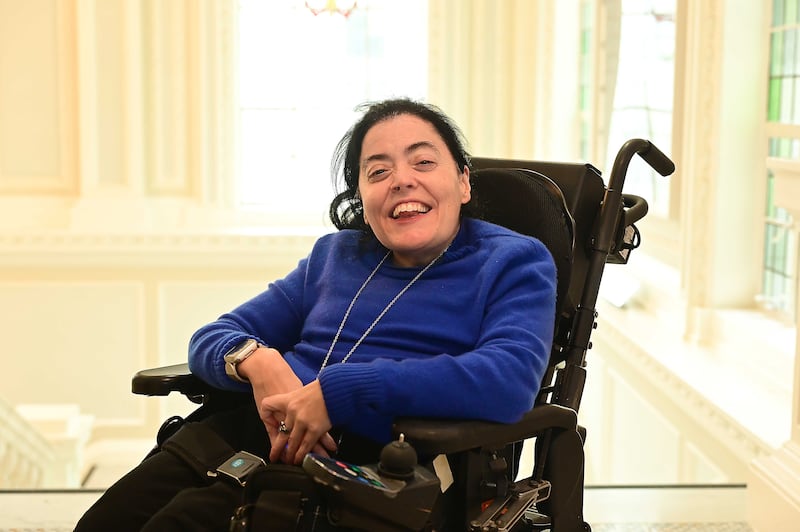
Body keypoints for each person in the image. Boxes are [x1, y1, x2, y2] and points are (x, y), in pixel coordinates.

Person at [76, 98, 557, 531]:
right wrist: (256, 361)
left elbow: (508, 380)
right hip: (245, 435)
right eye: (378, 171)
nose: (402, 180)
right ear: (362, 199)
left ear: (463, 181)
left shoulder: (513, 260)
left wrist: (340, 391)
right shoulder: (337, 256)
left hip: (365, 466)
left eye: (424, 161)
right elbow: (213, 336)